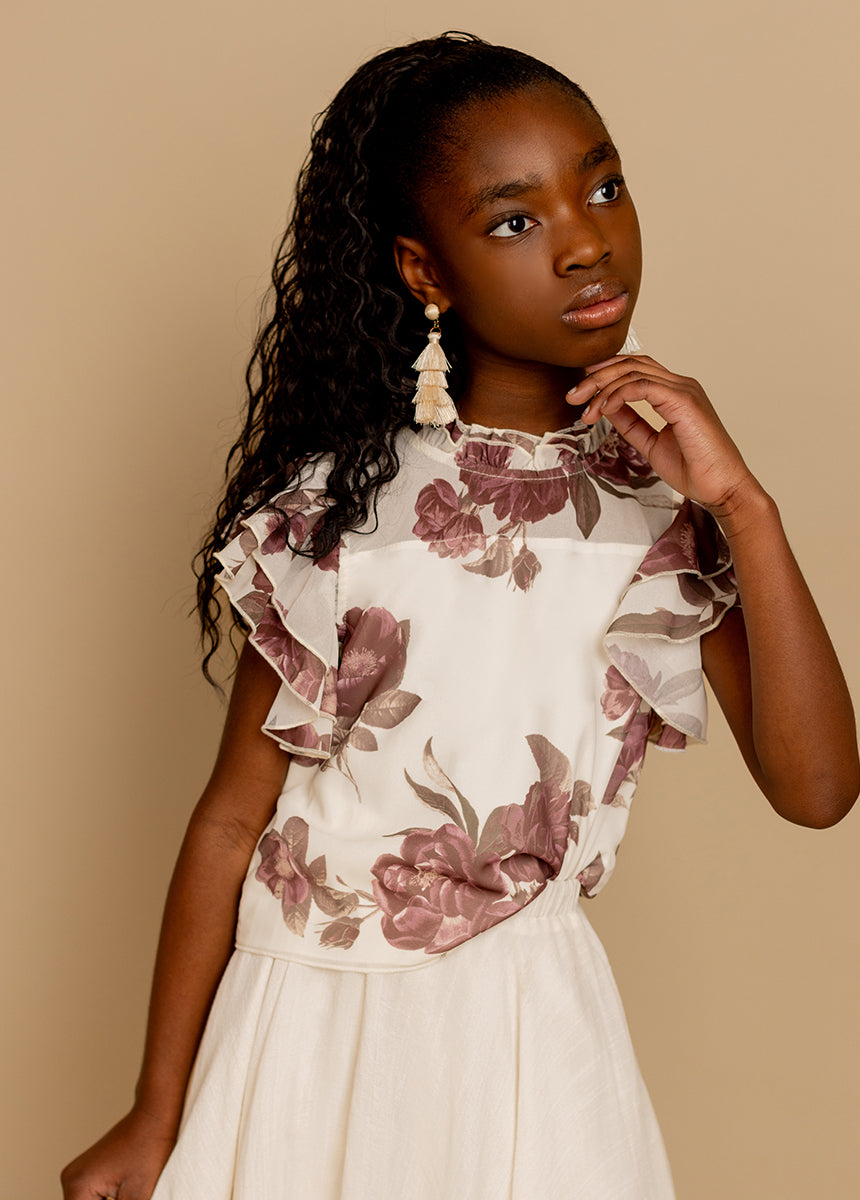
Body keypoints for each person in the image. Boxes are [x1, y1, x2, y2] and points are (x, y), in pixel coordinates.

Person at [61, 30, 858, 1200]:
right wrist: (154, 1111)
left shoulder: (665, 512)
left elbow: (817, 789)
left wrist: (745, 506)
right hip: (303, 1031)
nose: (584, 242)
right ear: (424, 272)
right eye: (514, 220)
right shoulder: (337, 514)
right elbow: (232, 822)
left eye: (602, 188)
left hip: (530, 1031)